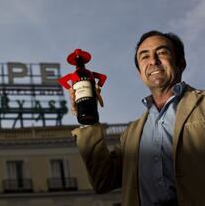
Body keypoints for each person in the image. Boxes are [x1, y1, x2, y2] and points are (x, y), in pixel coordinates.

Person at [70, 30, 205, 205]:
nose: (153, 61)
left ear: (180, 63)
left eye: (162, 52)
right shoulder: (131, 134)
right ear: (140, 72)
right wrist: (89, 120)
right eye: (144, 57)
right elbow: (103, 181)